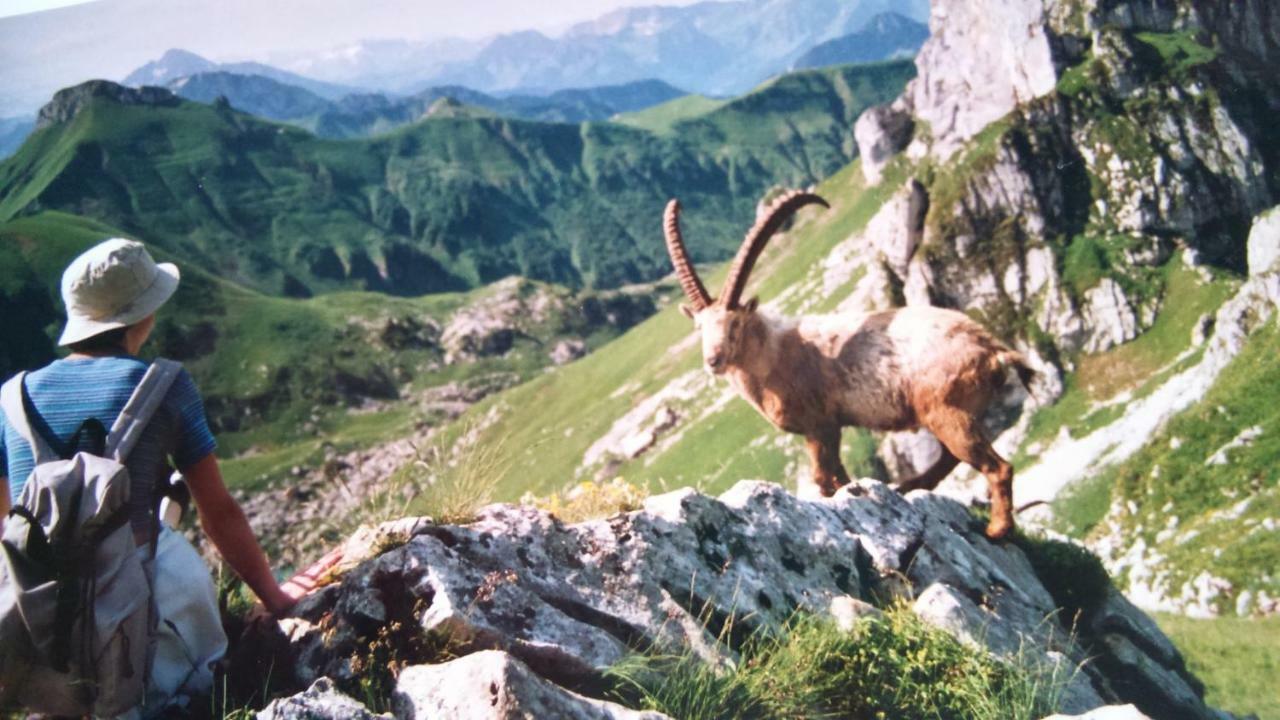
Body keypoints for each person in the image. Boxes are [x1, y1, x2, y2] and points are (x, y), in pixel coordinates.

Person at [0, 238, 301, 711]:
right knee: (169, 554)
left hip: (38, 622)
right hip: (143, 613)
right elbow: (217, 512)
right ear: (144, 315)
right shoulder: (165, 385)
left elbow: (5, 522)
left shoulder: (10, 400)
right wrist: (275, 599)